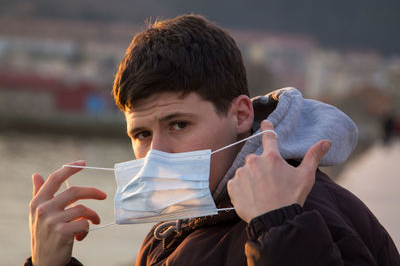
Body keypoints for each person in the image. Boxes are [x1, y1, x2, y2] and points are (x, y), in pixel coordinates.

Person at [26, 15, 400, 265]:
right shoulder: (175, 224)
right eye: (141, 133)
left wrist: (279, 228)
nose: (155, 153)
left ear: (240, 115)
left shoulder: (308, 210)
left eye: (178, 125)